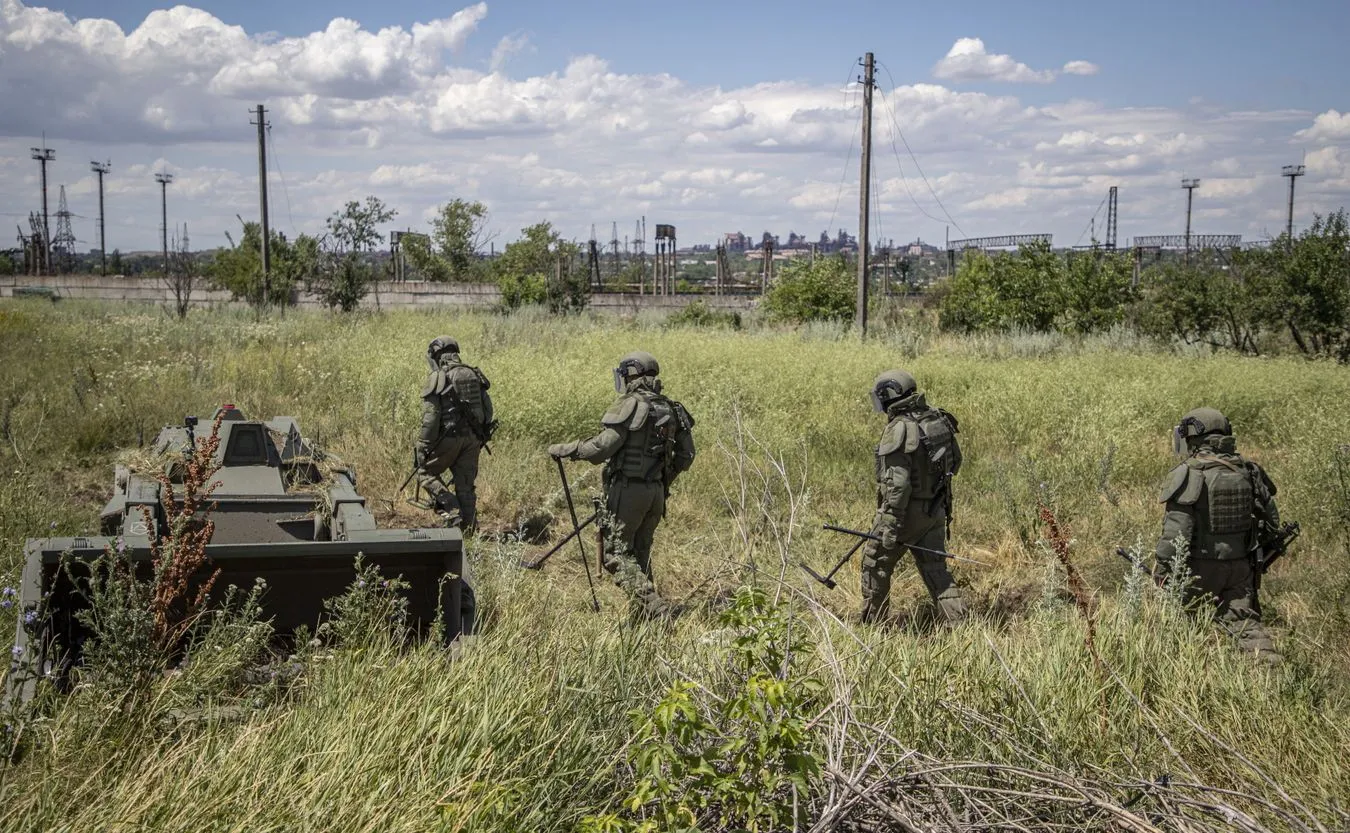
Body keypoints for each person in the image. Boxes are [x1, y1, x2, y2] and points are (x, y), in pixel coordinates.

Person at [549, 351, 695, 620]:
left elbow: (601, 449)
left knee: (615, 554)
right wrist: (662, 477)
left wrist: (569, 449)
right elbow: (687, 456)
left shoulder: (631, 404)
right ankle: (644, 620)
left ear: (630, 375)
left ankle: (657, 609)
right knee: (640, 554)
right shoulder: (671, 408)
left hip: (629, 491)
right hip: (656, 493)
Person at [1156, 407, 1282, 664]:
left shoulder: (1190, 472)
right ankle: (1271, 678)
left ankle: (1190, 679)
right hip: (1241, 567)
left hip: (1200, 567)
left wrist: (1163, 571)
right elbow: (1272, 522)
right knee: (1246, 626)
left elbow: (1176, 532)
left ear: (1190, 437)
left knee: (1185, 628)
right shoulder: (1248, 471)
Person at [858, 370, 969, 625]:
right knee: (935, 569)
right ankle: (960, 626)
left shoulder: (899, 429)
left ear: (889, 395)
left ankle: (871, 626)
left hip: (907, 513)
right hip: (935, 508)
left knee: (875, 562)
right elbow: (956, 462)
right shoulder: (936, 418)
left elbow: (897, 485)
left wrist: (889, 524)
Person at [415, 336, 496, 534]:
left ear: (436, 356)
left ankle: (452, 509)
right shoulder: (473, 374)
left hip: (447, 440)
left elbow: (431, 417)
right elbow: (488, 410)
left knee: (424, 472)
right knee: (466, 487)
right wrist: (479, 435)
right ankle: (467, 532)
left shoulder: (438, 377)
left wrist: (423, 445)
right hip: (473, 440)